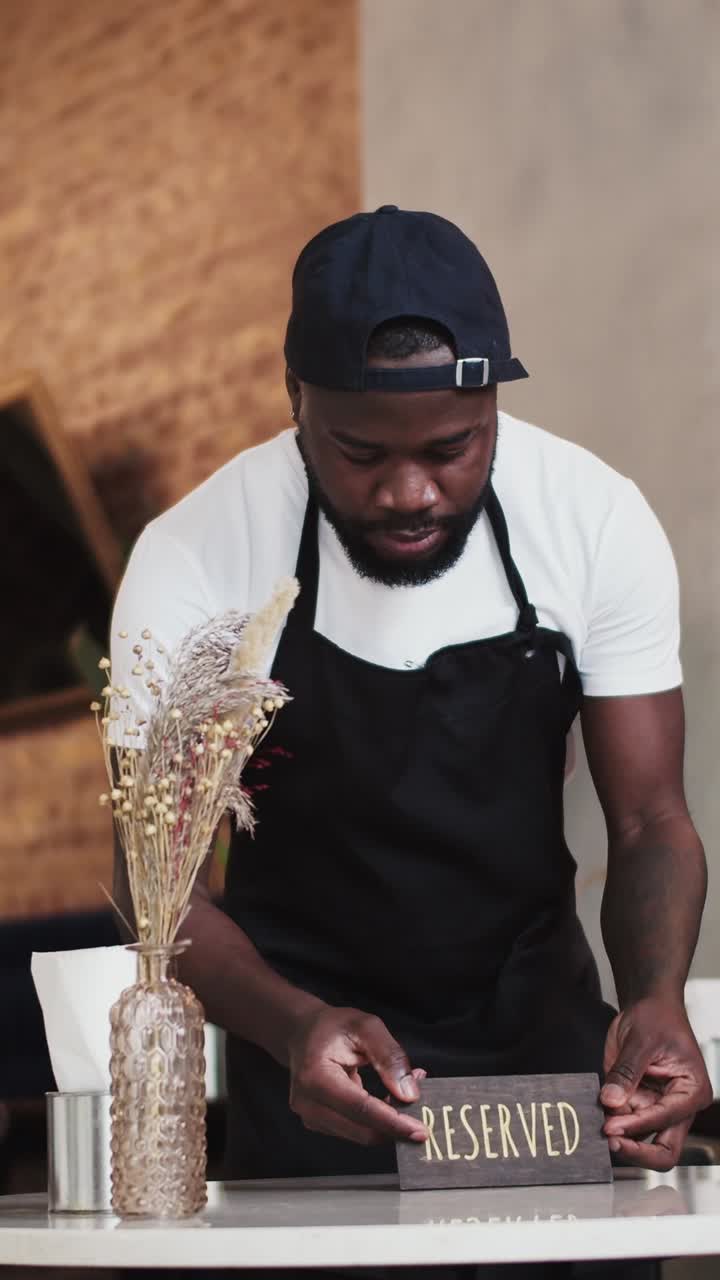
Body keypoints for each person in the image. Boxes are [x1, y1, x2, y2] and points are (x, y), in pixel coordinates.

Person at [112, 206, 710, 1275]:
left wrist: (657, 995)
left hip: (541, 1082)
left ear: (493, 404)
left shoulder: (593, 519)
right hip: (308, 1085)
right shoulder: (200, 554)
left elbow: (651, 818)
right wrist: (294, 1025)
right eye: (360, 452)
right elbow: (150, 883)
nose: (408, 491)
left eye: (451, 448)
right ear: (296, 402)